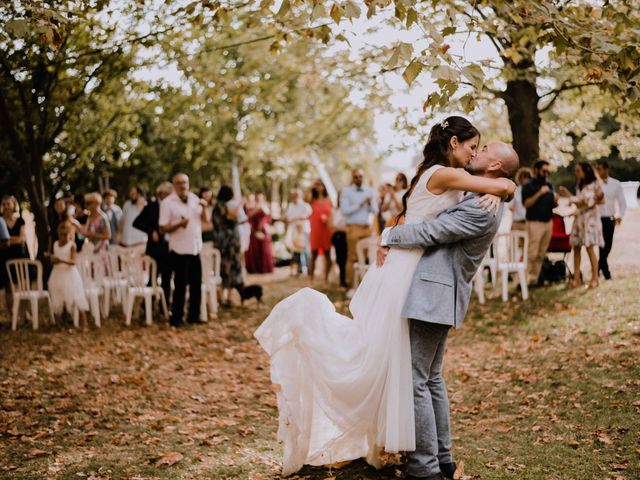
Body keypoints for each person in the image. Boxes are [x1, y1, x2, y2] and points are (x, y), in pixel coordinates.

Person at [254, 116, 516, 477]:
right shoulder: (461, 183)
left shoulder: (480, 201)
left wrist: (504, 186)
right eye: (475, 145)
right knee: (426, 377)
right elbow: (421, 211)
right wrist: (503, 185)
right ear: (453, 143)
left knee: (421, 378)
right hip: (420, 285)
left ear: (494, 164)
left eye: (482, 149)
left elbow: (434, 228)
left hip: (430, 290)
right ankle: (436, 461)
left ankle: (428, 467)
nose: (477, 150)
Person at [159, 173, 208, 326]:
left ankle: (194, 316)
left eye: (185, 182)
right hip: (179, 249)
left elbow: (205, 220)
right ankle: (177, 318)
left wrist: (205, 208)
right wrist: (179, 225)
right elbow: (162, 228)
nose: (183, 185)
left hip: (195, 247)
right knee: (180, 286)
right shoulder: (167, 203)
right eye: (179, 183)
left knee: (196, 285)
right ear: (174, 185)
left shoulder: (194, 199)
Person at [558, 162, 604, 289]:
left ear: (586, 171)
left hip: (590, 221)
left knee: (590, 248)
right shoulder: (580, 185)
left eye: (578, 170)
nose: (576, 173)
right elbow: (579, 204)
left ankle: (595, 278)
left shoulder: (595, 185)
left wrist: (568, 195)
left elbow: (587, 202)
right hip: (579, 220)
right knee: (576, 247)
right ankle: (576, 278)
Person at [133, 182, 174, 303]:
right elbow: (136, 222)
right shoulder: (151, 207)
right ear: (161, 194)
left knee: (167, 278)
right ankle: (147, 307)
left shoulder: (172, 206)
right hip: (155, 248)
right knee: (153, 278)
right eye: (167, 194)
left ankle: (165, 306)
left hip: (169, 247)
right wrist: (151, 231)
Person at [521, 160, 558, 286]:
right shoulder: (528, 186)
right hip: (534, 223)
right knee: (532, 253)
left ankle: (534, 280)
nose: (546, 173)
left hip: (548, 222)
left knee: (541, 254)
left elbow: (551, 204)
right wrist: (539, 193)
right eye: (544, 171)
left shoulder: (549, 185)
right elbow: (526, 204)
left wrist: (555, 202)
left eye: (548, 171)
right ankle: (523, 281)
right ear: (536, 170)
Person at [340, 168, 378, 289]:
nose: (358, 179)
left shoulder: (370, 191)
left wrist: (370, 203)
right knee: (352, 257)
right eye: (356, 177)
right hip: (353, 228)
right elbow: (344, 210)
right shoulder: (346, 191)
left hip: (367, 228)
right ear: (352, 178)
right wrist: (360, 204)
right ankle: (351, 287)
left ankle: (366, 287)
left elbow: (375, 210)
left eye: (360, 176)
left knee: (368, 258)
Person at [48, 221, 89, 322]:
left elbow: (73, 261)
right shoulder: (55, 244)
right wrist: (53, 260)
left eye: (65, 234)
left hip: (70, 275)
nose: (63, 237)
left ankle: (84, 322)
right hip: (57, 274)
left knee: (76, 297)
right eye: (61, 234)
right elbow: (54, 259)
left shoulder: (72, 245)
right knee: (59, 297)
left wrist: (60, 260)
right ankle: (62, 321)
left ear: (70, 234)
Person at [212, 185, 245, 306]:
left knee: (226, 269)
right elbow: (234, 215)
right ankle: (226, 298)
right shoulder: (222, 205)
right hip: (228, 243)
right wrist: (241, 204)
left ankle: (225, 298)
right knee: (230, 269)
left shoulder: (218, 206)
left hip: (224, 242)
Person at [595, 160, 627, 280]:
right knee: (601, 246)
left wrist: (620, 215)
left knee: (608, 246)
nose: (598, 171)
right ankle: (605, 273)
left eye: (600, 169)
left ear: (606, 169)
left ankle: (598, 267)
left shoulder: (616, 184)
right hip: (597, 219)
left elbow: (622, 203)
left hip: (609, 219)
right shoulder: (594, 184)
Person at [1, 196, 29, 312]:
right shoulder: (0, 221)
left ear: (13, 205)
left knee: (24, 286)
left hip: (20, 256)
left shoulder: (20, 221)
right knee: (8, 288)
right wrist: (14, 239)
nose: (7, 206)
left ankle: (25, 313)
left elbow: (22, 239)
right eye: (5, 204)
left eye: (9, 204)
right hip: (4, 258)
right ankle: (12, 315)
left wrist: (8, 240)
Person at [306, 180, 333, 285]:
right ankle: (311, 279)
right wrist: (311, 186)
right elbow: (305, 198)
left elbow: (332, 214)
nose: (318, 187)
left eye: (320, 184)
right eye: (316, 185)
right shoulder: (312, 199)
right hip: (315, 230)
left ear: (323, 186)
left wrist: (328, 219)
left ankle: (326, 279)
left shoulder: (328, 200)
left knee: (327, 254)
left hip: (326, 230)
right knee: (313, 254)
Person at [284, 189, 312, 276]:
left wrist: (294, 219)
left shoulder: (305, 206)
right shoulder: (290, 206)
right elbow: (287, 217)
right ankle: (298, 269)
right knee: (295, 251)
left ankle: (308, 269)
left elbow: (307, 216)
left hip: (304, 231)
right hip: (294, 232)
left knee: (305, 250)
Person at [245, 193, 275, 274]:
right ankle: (254, 269)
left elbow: (268, 217)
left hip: (263, 231)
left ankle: (264, 268)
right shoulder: (251, 208)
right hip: (254, 231)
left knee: (264, 249)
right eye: (257, 198)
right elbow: (248, 216)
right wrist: (257, 209)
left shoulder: (266, 207)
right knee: (254, 249)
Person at [118, 185, 148, 252]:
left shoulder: (146, 206)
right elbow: (122, 221)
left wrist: (140, 205)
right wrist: (119, 235)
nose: (130, 195)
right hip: (125, 242)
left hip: (140, 242)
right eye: (130, 193)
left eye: (133, 193)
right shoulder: (127, 204)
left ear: (140, 194)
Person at [330, 192, 348, 288]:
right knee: (340, 259)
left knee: (346, 258)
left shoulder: (348, 210)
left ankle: (345, 278)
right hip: (338, 236)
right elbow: (332, 225)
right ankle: (342, 280)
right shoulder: (335, 210)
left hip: (346, 235)